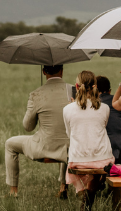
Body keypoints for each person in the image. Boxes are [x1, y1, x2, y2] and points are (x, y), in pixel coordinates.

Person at [4, 62, 71, 193]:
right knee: (65, 137)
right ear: (62, 71)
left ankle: (13, 191)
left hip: (43, 148)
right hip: (70, 149)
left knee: (10, 144)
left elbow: (28, 127)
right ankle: (63, 186)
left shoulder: (36, 94)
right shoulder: (74, 90)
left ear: (44, 72)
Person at [62, 69, 113, 200]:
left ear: (77, 87)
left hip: (78, 160)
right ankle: (90, 193)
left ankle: (83, 193)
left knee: (77, 160)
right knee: (97, 164)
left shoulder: (67, 109)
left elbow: (69, 134)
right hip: (104, 159)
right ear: (95, 87)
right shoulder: (105, 108)